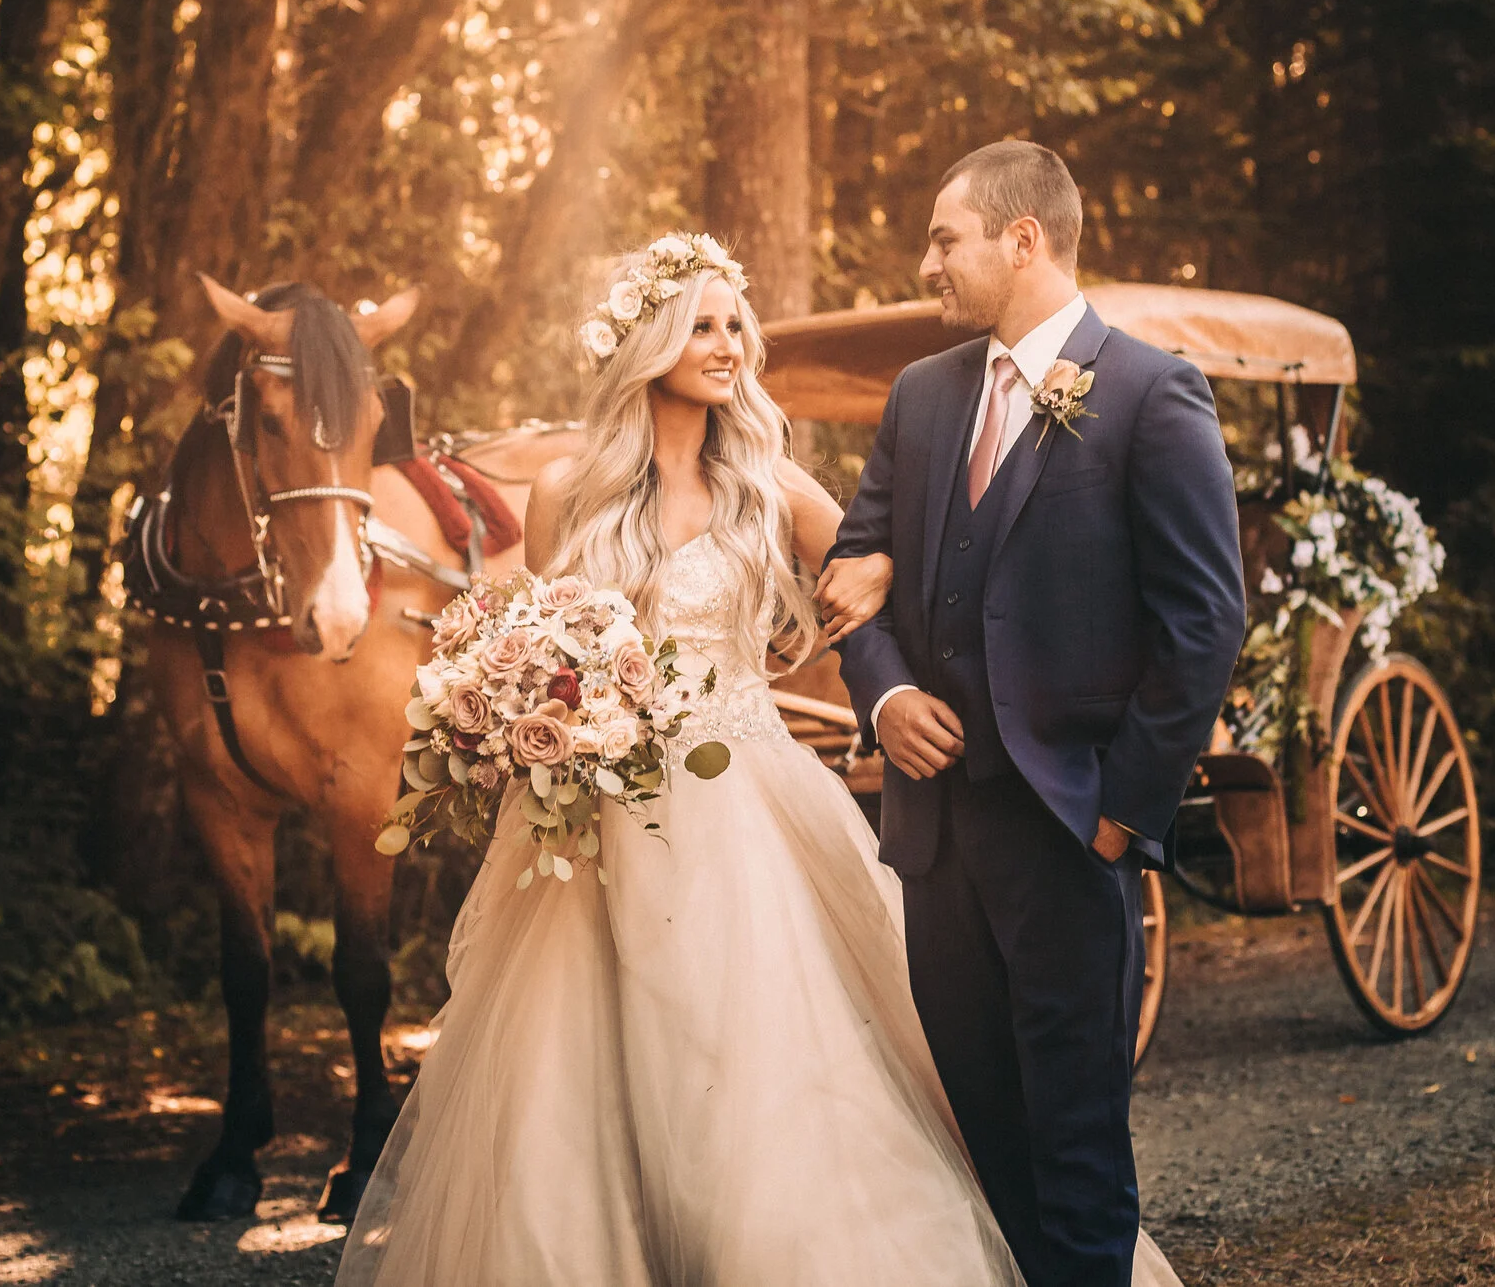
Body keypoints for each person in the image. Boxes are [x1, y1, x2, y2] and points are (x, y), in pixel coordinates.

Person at [344, 232, 1172, 1286]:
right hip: (593, 806)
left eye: (737, 323)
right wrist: (511, 697)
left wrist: (900, 663)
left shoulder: (770, 486)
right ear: (647, 342)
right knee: (577, 1058)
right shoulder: (565, 492)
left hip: (745, 795)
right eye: (702, 323)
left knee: (751, 1038)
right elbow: (543, 641)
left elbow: (897, 583)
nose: (730, 342)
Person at [824, 141, 1246, 1287]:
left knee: (1074, 1142)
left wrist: (1122, 814)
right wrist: (889, 689)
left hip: (1071, 831)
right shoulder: (921, 395)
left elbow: (1204, 621)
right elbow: (854, 570)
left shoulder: (1153, 393)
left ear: (1023, 239)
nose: (926, 265)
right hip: (934, 837)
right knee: (982, 1132)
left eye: (942, 238)